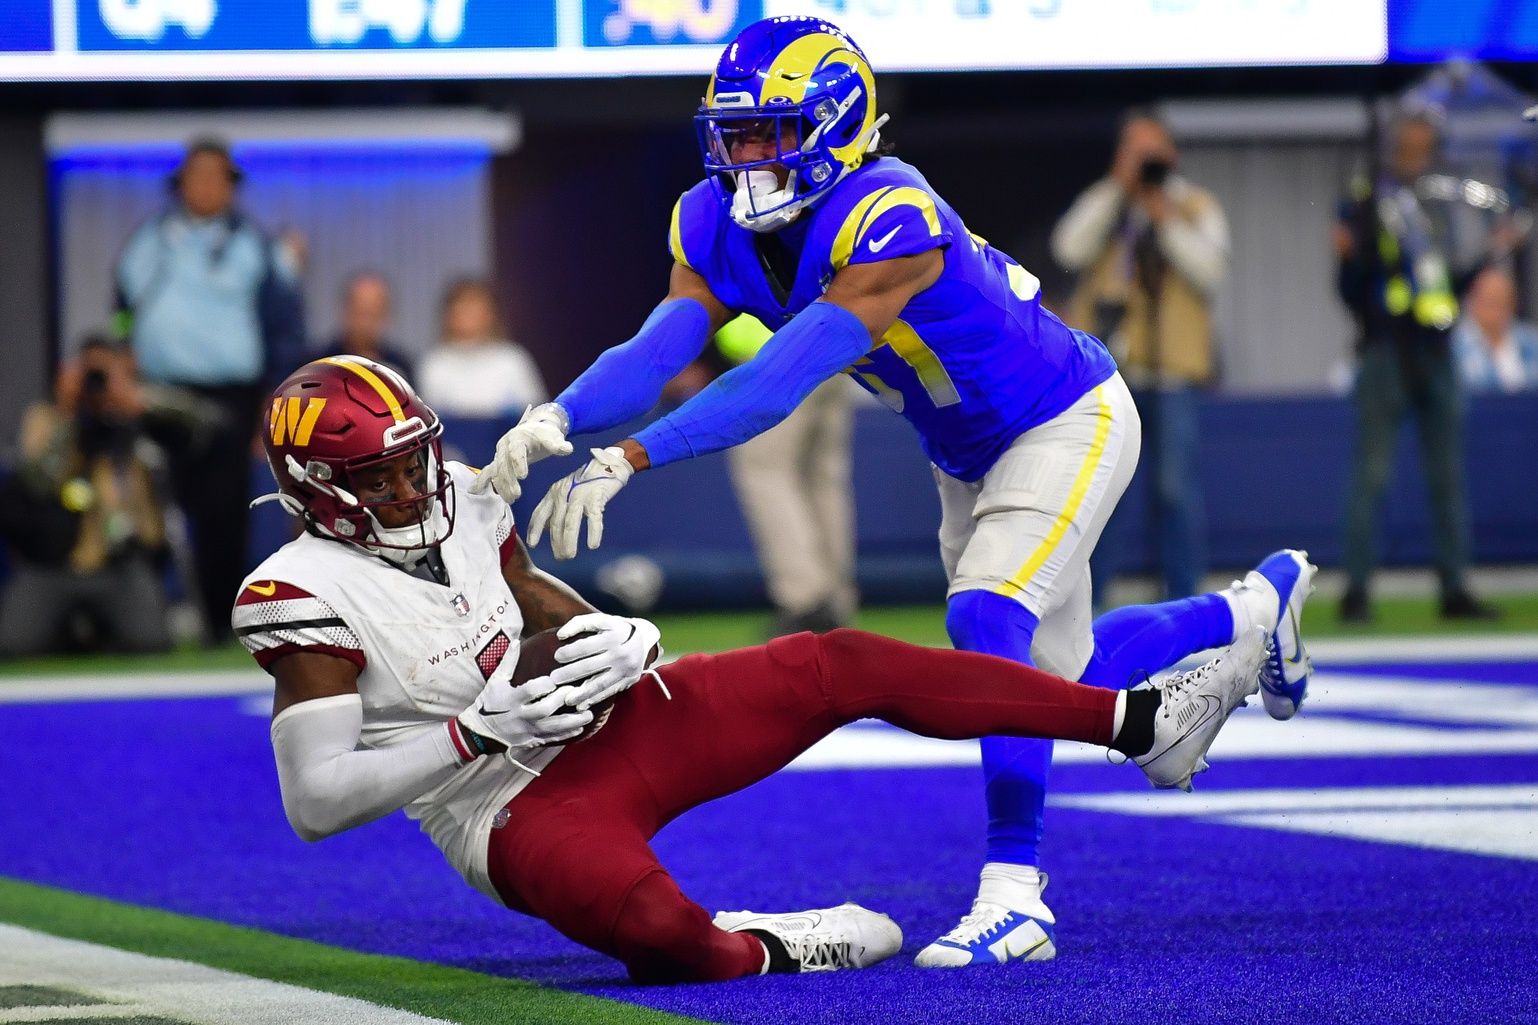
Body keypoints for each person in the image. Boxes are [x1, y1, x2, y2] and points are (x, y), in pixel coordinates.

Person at [471, 16, 1317, 967]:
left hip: (1062, 414)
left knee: (986, 619)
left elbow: (778, 378)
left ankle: (1015, 892)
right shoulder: (711, 221)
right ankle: (1251, 610)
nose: (746, 157)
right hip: (964, 450)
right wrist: (560, 414)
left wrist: (633, 456)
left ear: (836, 128)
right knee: (1054, 678)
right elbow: (660, 346)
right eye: (736, 135)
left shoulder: (889, 215)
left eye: (771, 134)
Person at [237, 356, 1267, 983]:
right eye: (381, 473)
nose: (415, 483)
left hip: (601, 721)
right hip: (499, 808)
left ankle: (1137, 721)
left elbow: (521, 597)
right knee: (659, 932)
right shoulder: (298, 592)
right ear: (318, 490)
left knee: (841, 661)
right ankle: (769, 940)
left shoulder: (458, 496)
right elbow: (317, 802)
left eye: (415, 456)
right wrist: (475, 731)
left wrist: (617, 633)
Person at [114, 136, 307, 644]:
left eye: (215, 176)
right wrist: (122, 352)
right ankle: (154, 621)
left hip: (230, 398)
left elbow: (285, 328)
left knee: (225, 513)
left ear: (231, 186)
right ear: (179, 184)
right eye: (195, 175)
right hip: (157, 397)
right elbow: (122, 311)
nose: (205, 185)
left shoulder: (257, 249)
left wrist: (274, 401)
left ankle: (224, 624)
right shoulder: (148, 242)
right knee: (154, 507)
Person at [1051, 108, 1229, 602]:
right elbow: (1068, 248)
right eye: (1134, 150)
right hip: (1111, 375)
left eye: (1151, 151)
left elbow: (1212, 271)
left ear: (1171, 154)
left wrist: (1165, 222)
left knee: (1175, 492)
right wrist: (1117, 188)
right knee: (1102, 494)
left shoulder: (1194, 206)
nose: (1144, 162)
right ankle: (1087, 603)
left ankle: (1184, 600)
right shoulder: (1110, 205)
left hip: (1172, 371)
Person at [1334, 110, 1505, 623]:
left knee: (1448, 476)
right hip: (1386, 350)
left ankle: (1455, 589)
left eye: (1425, 144)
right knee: (1373, 474)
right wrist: (1351, 261)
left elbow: (1442, 283)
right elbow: (1347, 286)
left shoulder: (1437, 203)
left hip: (1435, 348)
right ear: (1394, 146)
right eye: (1409, 144)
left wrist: (1486, 261)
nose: (1417, 153)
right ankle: (1356, 591)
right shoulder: (1368, 200)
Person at [0, 338, 171, 656]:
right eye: (88, 372)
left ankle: (92, 632)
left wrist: (135, 404)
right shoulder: (46, 419)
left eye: (104, 373)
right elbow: (35, 483)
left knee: (151, 642)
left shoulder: (138, 418)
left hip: (118, 566)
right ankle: (72, 633)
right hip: (50, 564)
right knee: (13, 645)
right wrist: (68, 412)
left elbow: (204, 429)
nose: (96, 383)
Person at [718, 314, 859, 635]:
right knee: (824, 478)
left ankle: (807, 599)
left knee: (765, 471)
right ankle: (835, 598)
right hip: (836, 346)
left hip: (774, 350)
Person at [416, 278, 547, 419]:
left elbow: (537, 414)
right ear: (449, 315)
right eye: (463, 308)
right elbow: (426, 420)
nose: (469, 315)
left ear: (491, 314)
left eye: (475, 308)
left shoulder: (513, 359)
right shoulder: (434, 363)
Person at [1451, 266, 1538, 393]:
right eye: (1489, 301)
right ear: (1471, 302)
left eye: (1502, 301)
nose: (1495, 310)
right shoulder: (1454, 345)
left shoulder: (1531, 341)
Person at [323, 271, 416, 381]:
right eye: (360, 313)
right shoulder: (318, 366)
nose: (365, 324)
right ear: (345, 310)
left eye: (373, 314)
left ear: (387, 315)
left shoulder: (400, 369)